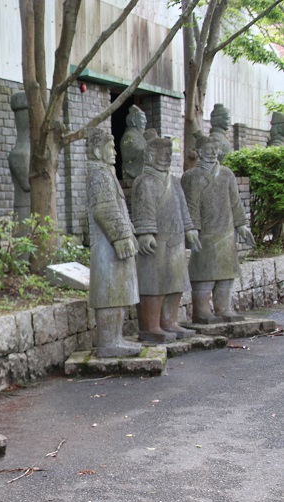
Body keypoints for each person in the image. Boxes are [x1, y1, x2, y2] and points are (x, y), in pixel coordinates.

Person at [131, 137, 200, 342]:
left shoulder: (174, 182)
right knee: (154, 284)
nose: (168, 157)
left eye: (170, 154)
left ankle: (170, 321)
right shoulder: (144, 181)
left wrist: (189, 229)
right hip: (156, 242)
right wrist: (145, 232)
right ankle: (150, 326)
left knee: (175, 283)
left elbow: (183, 207)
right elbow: (142, 208)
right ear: (151, 155)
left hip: (176, 240)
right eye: (164, 154)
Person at [182, 135, 254, 323]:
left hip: (226, 231)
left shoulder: (227, 174)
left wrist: (242, 225)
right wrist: (192, 228)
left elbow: (235, 202)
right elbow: (190, 205)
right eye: (209, 149)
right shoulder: (191, 177)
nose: (214, 152)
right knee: (204, 273)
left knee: (226, 274)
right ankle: (201, 311)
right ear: (199, 152)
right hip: (204, 234)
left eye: (216, 148)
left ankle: (224, 309)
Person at [85, 128, 141, 357]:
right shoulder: (98, 174)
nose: (116, 152)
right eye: (111, 147)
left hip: (114, 242)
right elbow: (103, 209)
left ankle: (115, 339)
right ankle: (108, 342)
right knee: (109, 294)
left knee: (117, 292)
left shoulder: (105, 173)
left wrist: (129, 232)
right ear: (98, 151)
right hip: (107, 244)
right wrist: (120, 235)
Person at [119, 105, 147, 182]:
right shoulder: (129, 136)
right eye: (142, 119)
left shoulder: (141, 136)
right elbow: (131, 155)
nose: (145, 122)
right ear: (134, 121)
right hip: (132, 170)